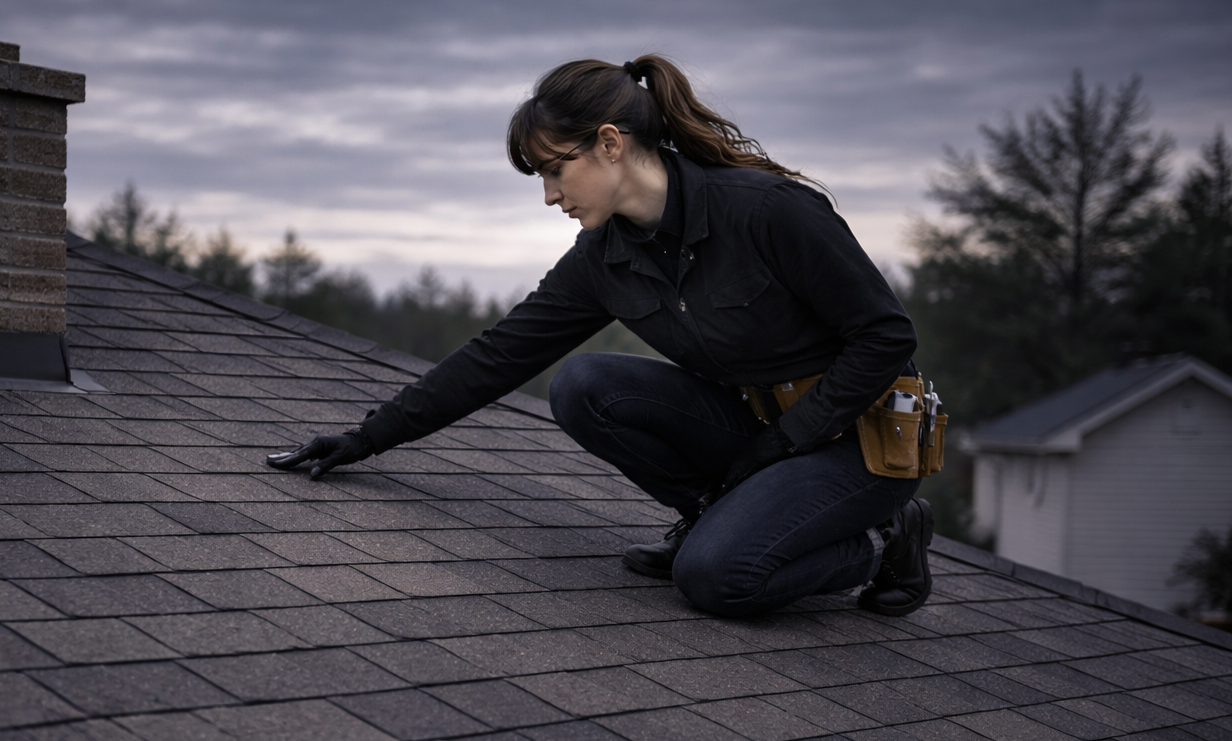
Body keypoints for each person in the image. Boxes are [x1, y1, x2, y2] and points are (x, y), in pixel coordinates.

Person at [267, 55, 935, 618]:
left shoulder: (768, 212)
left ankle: (885, 540)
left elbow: (883, 336)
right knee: (586, 385)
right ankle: (715, 516)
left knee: (716, 579)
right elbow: (499, 355)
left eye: (556, 169)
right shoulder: (605, 257)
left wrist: (785, 443)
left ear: (611, 143)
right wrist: (366, 438)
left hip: (858, 443)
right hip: (760, 433)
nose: (551, 194)